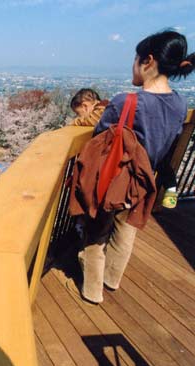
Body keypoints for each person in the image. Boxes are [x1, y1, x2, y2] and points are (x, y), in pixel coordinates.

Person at [71, 30, 193, 304]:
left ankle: (92, 290)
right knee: (126, 233)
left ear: (148, 61)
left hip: (115, 181)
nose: (133, 65)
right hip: (146, 180)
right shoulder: (180, 104)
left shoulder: (126, 102)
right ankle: (111, 279)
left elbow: (100, 137)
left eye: (135, 59)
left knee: (96, 233)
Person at [70, 87, 179, 209]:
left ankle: (168, 188)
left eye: (78, 113)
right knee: (159, 164)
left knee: (151, 166)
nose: (79, 116)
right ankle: (170, 187)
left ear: (85, 106)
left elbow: (95, 120)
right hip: (145, 144)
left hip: (134, 147)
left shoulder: (103, 107)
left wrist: (76, 122)